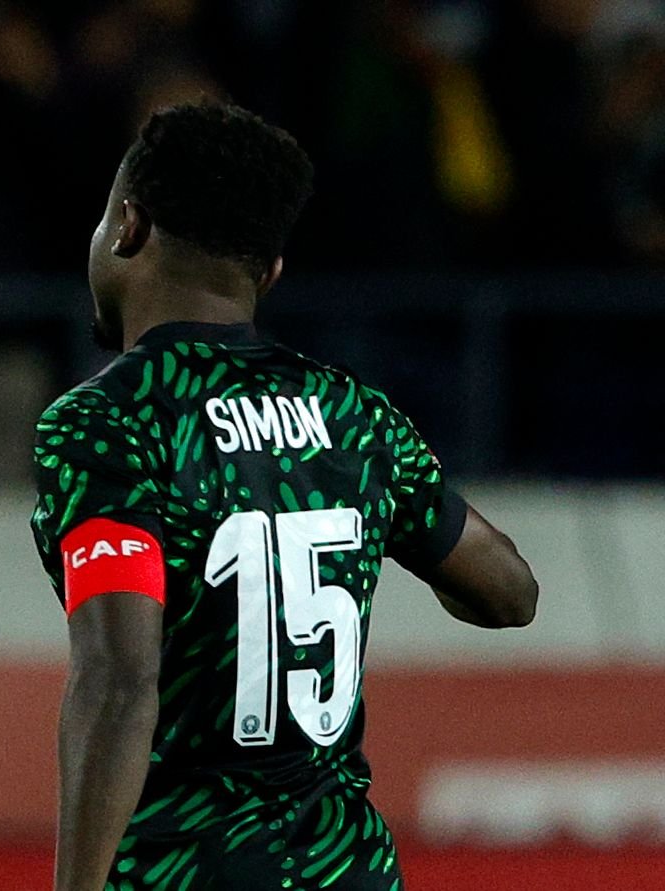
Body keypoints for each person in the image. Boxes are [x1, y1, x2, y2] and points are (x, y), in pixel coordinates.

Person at [31, 102, 539, 891]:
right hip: (348, 870)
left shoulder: (109, 423)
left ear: (128, 227)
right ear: (269, 272)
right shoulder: (356, 415)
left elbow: (119, 681)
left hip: (186, 872)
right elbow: (510, 592)